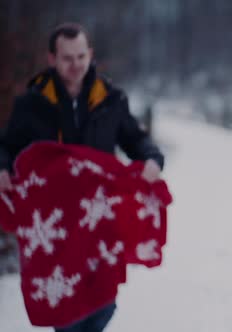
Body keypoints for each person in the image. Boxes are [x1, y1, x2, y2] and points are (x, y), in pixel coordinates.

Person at [0, 22, 164, 332]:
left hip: (97, 221)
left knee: (105, 303)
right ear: (52, 59)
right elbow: (7, 146)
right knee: (65, 310)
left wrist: (153, 159)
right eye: (67, 58)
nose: (75, 65)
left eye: (80, 56)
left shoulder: (111, 98)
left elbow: (135, 139)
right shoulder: (31, 103)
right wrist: (2, 168)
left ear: (90, 54)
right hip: (54, 225)